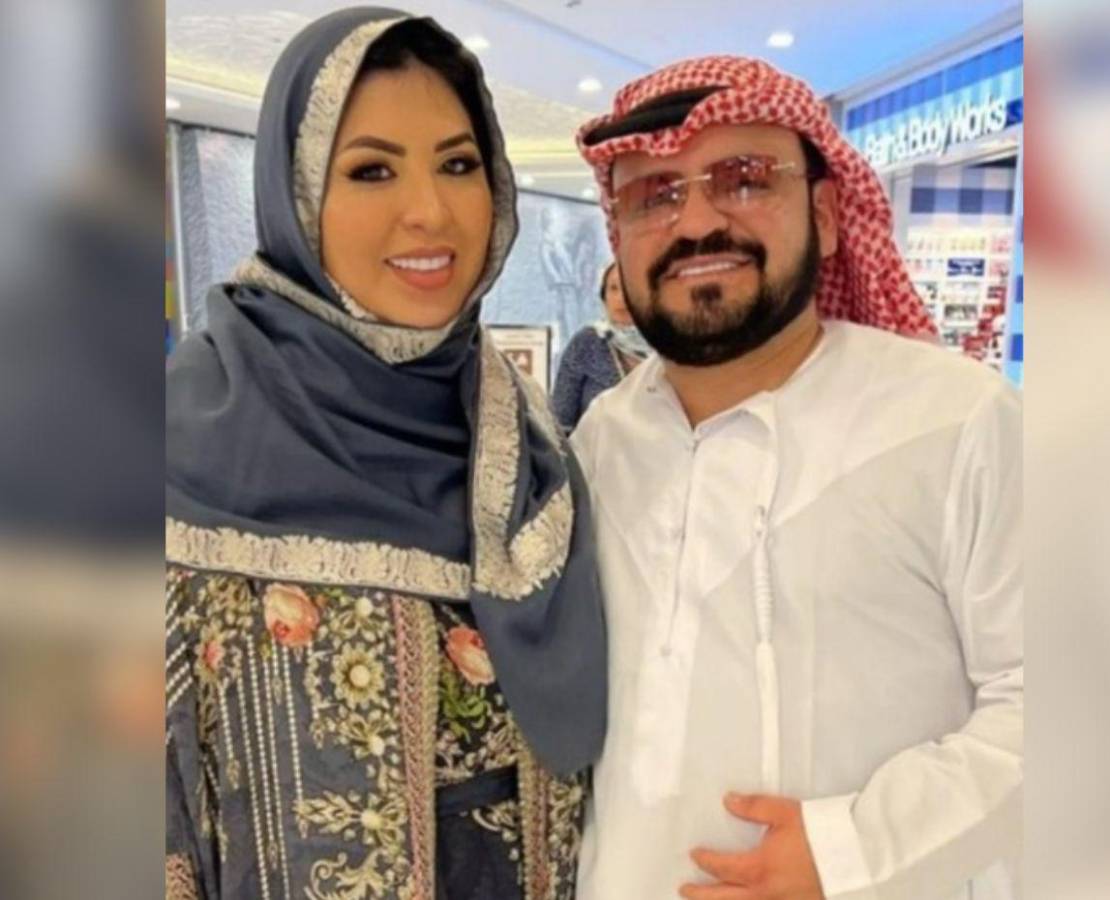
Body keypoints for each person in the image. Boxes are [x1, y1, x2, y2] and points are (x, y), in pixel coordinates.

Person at [165, 10, 606, 900]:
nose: (430, 212)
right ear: (295, 196)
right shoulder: (179, 438)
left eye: (459, 164)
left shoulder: (529, 442)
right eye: (371, 170)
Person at [570, 56, 1022, 900]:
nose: (696, 222)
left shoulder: (958, 420)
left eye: (744, 179)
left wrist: (854, 850)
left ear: (827, 214)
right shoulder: (602, 439)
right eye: (653, 196)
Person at [551, 262, 651, 431]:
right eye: (613, 289)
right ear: (604, 297)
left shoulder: (670, 347)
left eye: (629, 288)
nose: (621, 298)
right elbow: (560, 423)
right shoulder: (587, 342)